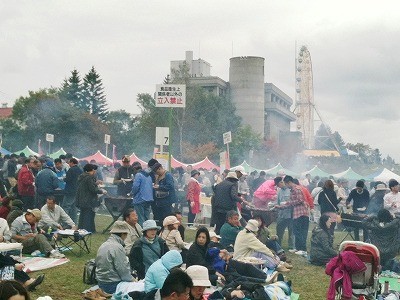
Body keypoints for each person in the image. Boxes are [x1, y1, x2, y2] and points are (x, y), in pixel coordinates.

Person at [95, 221, 134, 294]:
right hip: (112, 284)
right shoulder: (118, 247)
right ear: (123, 234)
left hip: (101, 282)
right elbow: (123, 270)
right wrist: (133, 280)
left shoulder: (104, 244)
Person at [276, 176, 310, 257]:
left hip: (301, 213)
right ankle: (298, 248)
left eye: (286, 184)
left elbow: (300, 200)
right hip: (297, 213)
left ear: (289, 182)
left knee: (300, 232)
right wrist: (282, 206)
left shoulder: (296, 189)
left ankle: (302, 249)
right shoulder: (293, 190)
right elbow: (292, 201)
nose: (286, 186)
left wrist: (287, 203)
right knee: (296, 231)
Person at [75, 163, 107, 233]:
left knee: (82, 215)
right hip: (87, 199)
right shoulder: (89, 177)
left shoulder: (82, 176)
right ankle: (87, 230)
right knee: (88, 215)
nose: (94, 172)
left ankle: (81, 228)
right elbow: (93, 189)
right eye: (93, 170)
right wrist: (102, 191)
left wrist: (95, 183)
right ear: (91, 170)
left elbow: (87, 186)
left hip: (81, 199)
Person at [275, 177, 295, 251]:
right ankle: (278, 245)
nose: (278, 186)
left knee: (291, 231)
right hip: (282, 214)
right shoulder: (279, 191)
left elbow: (293, 201)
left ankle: (291, 246)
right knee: (279, 230)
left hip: (290, 213)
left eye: (278, 184)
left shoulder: (290, 190)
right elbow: (278, 201)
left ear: (282, 182)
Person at [62, 158, 82, 223]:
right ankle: (74, 222)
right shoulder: (80, 170)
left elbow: (68, 179)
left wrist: (64, 179)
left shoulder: (71, 170)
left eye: (69, 163)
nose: (69, 164)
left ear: (72, 163)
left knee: (66, 207)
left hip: (70, 191)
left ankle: (65, 222)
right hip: (77, 191)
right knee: (74, 208)